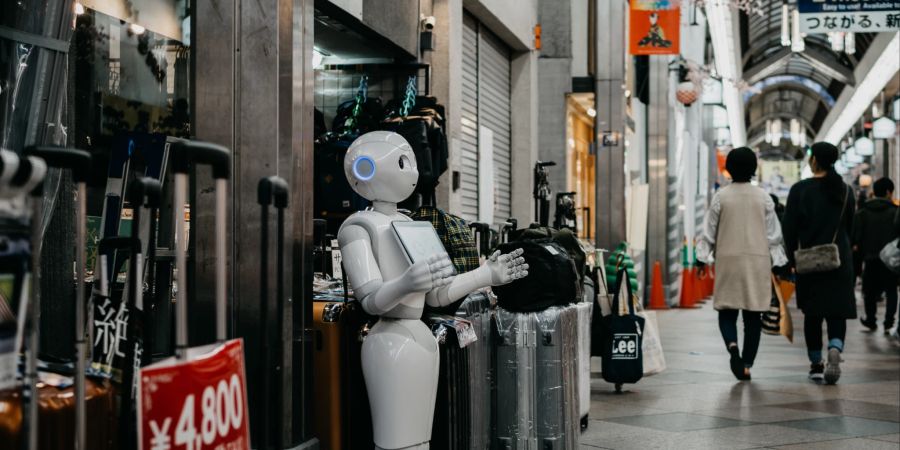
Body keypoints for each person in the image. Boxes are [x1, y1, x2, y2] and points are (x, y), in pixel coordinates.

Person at [697, 147, 788, 381]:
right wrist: (779, 263)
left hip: (728, 261)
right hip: (757, 262)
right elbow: (774, 236)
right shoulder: (764, 197)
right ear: (753, 168)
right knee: (752, 317)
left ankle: (732, 348)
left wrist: (701, 258)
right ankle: (747, 365)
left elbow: (708, 232)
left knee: (727, 311)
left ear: (728, 167)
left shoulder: (721, 197)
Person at [782, 142, 856, 385]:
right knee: (837, 311)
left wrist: (788, 260)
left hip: (810, 262)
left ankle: (816, 363)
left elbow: (789, 230)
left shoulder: (800, 190)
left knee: (812, 314)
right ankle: (835, 346)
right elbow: (850, 229)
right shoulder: (845, 190)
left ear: (814, 161)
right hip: (839, 260)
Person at [853, 177, 898, 334]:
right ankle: (888, 322)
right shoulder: (895, 212)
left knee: (869, 291)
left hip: (870, 258)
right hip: (890, 260)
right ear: (888, 192)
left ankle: (871, 319)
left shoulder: (863, 212)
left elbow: (856, 237)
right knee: (891, 291)